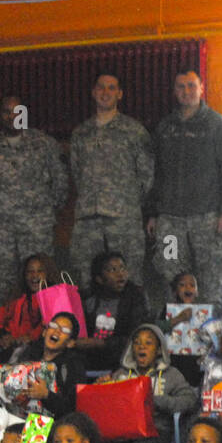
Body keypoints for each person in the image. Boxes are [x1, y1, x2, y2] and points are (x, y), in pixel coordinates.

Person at [147, 68, 222, 309]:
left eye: (191, 85)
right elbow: (154, 173)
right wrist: (153, 213)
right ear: (174, 91)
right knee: (170, 276)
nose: (186, 91)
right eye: (180, 87)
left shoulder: (218, 126)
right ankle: (177, 338)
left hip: (208, 219)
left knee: (212, 279)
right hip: (169, 222)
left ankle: (219, 336)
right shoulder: (165, 128)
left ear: (201, 88)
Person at [0, 94, 69, 303]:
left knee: (41, 281)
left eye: (17, 111)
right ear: (0, 115)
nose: (12, 116)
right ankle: (8, 331)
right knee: (3, 282)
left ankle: (44, 328)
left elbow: (61, 181)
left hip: (37, 228)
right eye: (7, 111)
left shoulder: (44, 144)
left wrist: (46, 211)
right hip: (2, 231)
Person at [69, 73, 155, 290]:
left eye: (111, 88)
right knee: (86, 280)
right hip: (88, 219)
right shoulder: (81, 133)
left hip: (124, 218)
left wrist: (128, 201)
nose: (105, 93)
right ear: (93, 92)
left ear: (120, 94)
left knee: (130, 279)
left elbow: (147, 175)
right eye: (100, 87)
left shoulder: (134, 131)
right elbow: (76, 173)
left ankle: (133, 323)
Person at [109, 324, 199, 443]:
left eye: (148, 343)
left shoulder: (171, 374)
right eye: (137, 343)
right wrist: (102, 386)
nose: (141, 346)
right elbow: (108, 405)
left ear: (158, 350)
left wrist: (157, 400)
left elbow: (189, 400)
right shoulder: (120, 374)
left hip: (157, 433)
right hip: (123, 434)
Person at [2, 311, 86, 419]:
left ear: (70, 343)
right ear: (44, 332)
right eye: (53, 325)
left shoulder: (73, 367)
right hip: (14, 415)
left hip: (46, 426)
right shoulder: (25, 353)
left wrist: (47, 395)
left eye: (64, 330)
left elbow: (73, 410)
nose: (57, 331)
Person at [78, 251, 149, 373]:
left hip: (122, 363)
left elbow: (136, 336)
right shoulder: (87, 298)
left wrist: (101, 343)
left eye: (122, 268)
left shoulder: (135, 297)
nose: (120, 274)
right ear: (99, 279)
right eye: (112, 270)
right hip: (88, 362)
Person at [0, 253, 46, 364]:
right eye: (30, 272)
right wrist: (2, 336)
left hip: (38, 353)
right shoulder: (16, 298)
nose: (34, 276)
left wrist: (30, 338)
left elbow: (50, 326)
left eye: (40, 271)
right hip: (12, 351)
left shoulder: (54, 300)